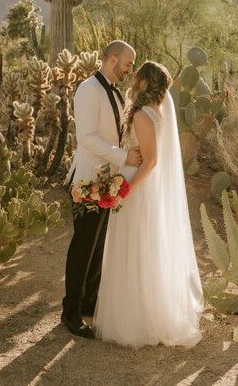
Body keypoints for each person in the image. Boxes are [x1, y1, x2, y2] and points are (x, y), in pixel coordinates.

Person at [94, 60, 204, 348]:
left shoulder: (143, 115)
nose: (131, 80)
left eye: (137, 76)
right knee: (143, 248)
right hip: (140, 185)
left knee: (134, 247)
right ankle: (147, 314)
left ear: (143, 84)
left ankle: (136, 322)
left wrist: (124, 191)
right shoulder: (156, 111)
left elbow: (152, 160)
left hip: (137, 188)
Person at [61, 40, 142, 339]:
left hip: (108, 180)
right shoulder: (88, 90)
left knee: (98, 246)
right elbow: (87, 139)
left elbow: (116, 134)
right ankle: (70, 312)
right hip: (87, 181)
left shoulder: (115, 92)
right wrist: (123, 157)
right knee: (83, 245)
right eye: (127, 64)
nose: (129, 71)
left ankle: (88, 302)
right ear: (112, 58)